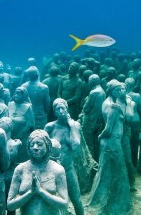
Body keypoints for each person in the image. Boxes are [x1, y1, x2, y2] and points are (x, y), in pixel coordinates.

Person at [87, 79, 131, 215]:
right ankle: (112, 205)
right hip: (111, 143)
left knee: (107, 172)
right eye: (117, 90)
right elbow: (108, 129)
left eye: (121, 89)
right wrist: (100, 136)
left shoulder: (109, 103)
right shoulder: (113, 106)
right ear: (111, 90)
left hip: (112, 143)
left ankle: (111, 203)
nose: (121, 91)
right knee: (114, 173)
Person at [7, 130, 68, 215]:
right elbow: (10, 205)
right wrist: (31, 192)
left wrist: (41, 191)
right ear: (28, 147)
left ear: (48, 146)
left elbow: (64, 204)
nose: (35, 147)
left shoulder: (57, 170)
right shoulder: (20, 169)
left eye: (40, 144)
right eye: (32, 145)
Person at [44, 98, 85, 215]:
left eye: (63, 108)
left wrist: (71, 126)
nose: (61, 111)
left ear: (67, 109)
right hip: (53, 170)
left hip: (68, 169)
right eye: (58, 109)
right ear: (54, 112)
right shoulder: (50, 127)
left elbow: (76, 146)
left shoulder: (75, 125)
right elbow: (43, 147)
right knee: (54, 200)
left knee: (76, 199)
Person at [0, 117, 22, 215]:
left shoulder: (12, 144)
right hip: (8, 177)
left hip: (6, 176)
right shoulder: (14, 144)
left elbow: (5, 163)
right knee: (8, 203)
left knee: (9, 203)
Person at [79, 74, 106, 161]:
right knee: (95, 143)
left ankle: (90, 162)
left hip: (90, 121)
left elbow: (86, 108)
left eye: (90, 81)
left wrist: (86, 100)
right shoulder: (102, 91)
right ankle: (96, 160)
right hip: (97, 121)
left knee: (88, 143)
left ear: (92, 81)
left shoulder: (93, 92)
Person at [8, 86, 35, 162]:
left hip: (23, 134)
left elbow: (30, 123)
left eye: (19, 94)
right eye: (16, 93)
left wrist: (20, 134)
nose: (16, 95)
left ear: (24, 96)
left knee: (21, 153)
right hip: (11, 134)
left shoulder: (27, 107)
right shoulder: (10, 104)